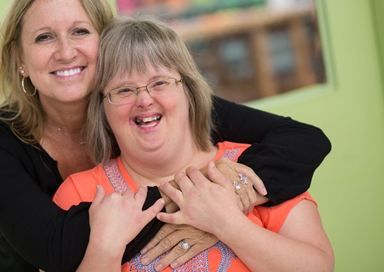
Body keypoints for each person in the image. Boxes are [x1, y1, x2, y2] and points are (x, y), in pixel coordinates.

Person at [0, 0, 331, 272]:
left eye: (80, 31)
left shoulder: (158, 102)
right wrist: (198, 203)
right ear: (20, 59)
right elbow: (55, 251)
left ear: (104, 43)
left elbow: (302, 140)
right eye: (44, 37)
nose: (65, 51)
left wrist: (226, 201)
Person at [52, 16, 334, 271]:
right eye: (124, 90)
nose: (145, 100)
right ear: (103, 108)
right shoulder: (81, 194)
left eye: (160, 83)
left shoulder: (250, 169)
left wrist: (228, 225)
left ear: (189, 91)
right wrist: (105, 250)